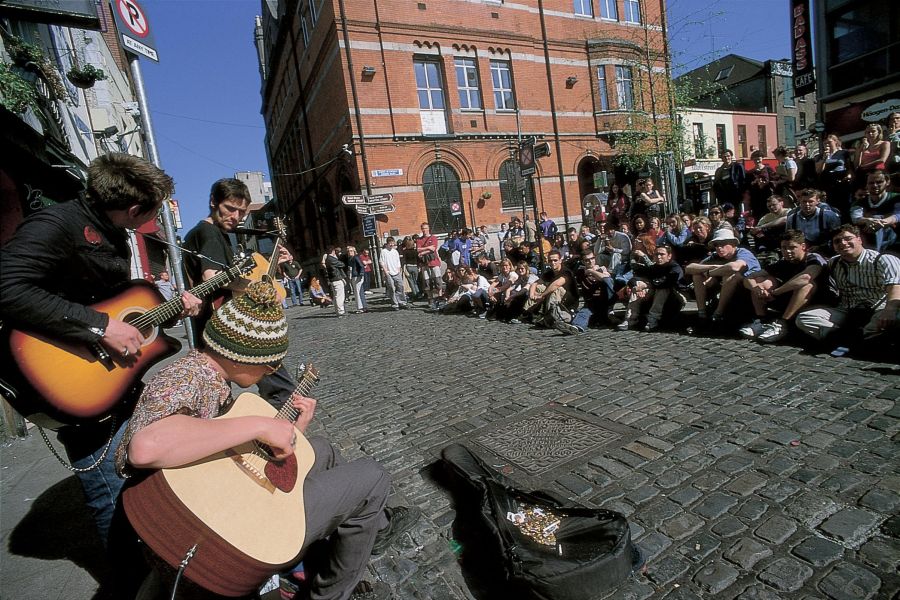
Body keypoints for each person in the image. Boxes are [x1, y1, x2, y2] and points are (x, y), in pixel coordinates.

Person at [114, 282, 418, 600]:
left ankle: (354, 538)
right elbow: (144, 446)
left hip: (221, 499)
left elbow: (208, 444)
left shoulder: (207, 374)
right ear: (239, 357)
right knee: (374, 477)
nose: (272, 370)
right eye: (269, 362)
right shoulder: (183, 381)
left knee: (322, 451)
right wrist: (258, 424)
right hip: (212, 534)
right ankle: (331, 593)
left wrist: (292, 430)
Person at [0, 153, 202, 545]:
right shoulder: (57, 224)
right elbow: (6, 287)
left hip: (111, 377)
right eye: (151, 212)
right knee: (112, 496)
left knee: (139, 480)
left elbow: (111, 305)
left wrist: (170, 309)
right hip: (70, 378)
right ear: (133, 208)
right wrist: (99, 326)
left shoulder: (108, 231)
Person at [183, 177, 298, 407]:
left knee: (218, 399)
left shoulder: (209, 232)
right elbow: (213, 278)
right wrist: (259, 289)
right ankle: (276, 438)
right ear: (213, 202)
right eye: (230, 209)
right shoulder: (208, 233)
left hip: (216, 331)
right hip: (230, 332)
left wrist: (271, 268)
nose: (235, 217)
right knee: (284, 392)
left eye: (241, 212)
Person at [795, 224, 900, 353]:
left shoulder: (883, 260)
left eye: (848, 238)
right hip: (847, 310)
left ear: (859, 239)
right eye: (837, 241)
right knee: (804, 318)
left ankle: (845, 339)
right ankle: (854, 339)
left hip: (877, 310)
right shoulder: (833, 263)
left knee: (886, 322)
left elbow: (895, 287)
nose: (843, 243)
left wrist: (889, 310)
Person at [739, 230, 828, 343]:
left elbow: (806, 277)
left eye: (792, 247)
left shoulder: (813, 258)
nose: (787, 251)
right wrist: (758, 289)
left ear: (803, 246)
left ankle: (782, 324)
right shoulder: (783, 262)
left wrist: (777, 292)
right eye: (784, 248)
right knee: (761, 282)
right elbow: (749, 277)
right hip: (790, 298)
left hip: (820, 300)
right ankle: (761, 321)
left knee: (807, 285)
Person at [685, 228, 761, 324]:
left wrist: (710, 273)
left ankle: (718, 313)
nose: (719, 248)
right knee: (697, 276)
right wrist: (713, 266)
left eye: (723, 244)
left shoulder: (743, 252)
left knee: (730, 276)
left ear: (733, 244)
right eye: (716, 245)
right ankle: (702, 313)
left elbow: (734, 267)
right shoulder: (716, 256)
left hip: (749, 289)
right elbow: (689, 268)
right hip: (724, 288)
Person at [617, 244, 686, 332]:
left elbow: (666, 282)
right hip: (655, 297)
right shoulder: (654, 268)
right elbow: (634, 279)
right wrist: (637, 286)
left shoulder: (675, 267)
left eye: (662, 254)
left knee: (662, 289)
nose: (659, 257)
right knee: (637, 285)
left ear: (669, 256)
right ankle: (631, 318)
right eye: (656, 254)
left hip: (675, 298)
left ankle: (653, 319)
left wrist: (646, 285)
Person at [555, 250, 616, 334]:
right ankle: (576, 328)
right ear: (583, 262)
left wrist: (591, 271)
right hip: (591, 303)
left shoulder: (602, 269)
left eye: (592, 258)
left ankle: (608, 313)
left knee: (608, 280)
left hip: (605, 302)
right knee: (584, 313)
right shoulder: (581, 272)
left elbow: (606, 279)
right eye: (587, 260)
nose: (591, 261)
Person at [523, 250, 578, 327]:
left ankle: (550, 317)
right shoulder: (550, 272)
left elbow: (556, 284)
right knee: (539, 287)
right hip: (554, 299)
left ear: (560, 260)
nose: (553, 263)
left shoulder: (566, 272)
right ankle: (528, 312)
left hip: (568, 302)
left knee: (556, 290)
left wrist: (542, 295)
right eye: (550, 260)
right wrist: (532, 294)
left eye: (555, 260)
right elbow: (535, 283)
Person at [850, 170, 899, 253]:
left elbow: (898, 215)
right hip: (869, 236)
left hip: (894, 236)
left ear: (887, 182)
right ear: (866, 184)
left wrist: (882, 222)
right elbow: (855, 218)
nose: (875, 185)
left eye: (879, 182)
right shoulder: (860, 202)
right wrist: (868, 220)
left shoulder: (896, 198)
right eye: (871, 183)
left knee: (877, 218)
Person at [785, 188, 842, 253]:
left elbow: (837, 237)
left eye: (810, 201)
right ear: (800, 201)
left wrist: (820, 247)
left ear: (817, 201)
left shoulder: (829, 216)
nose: (807, 204)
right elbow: (788, 238)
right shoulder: (791, 218)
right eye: (804, 201)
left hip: (825, 252)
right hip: (800, 252)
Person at [816, 134, 855, 218]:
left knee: (843, 205)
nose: (827, 145)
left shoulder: (843, 153)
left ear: (836, 142)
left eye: (829, 142)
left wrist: (849, 176)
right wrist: (824, 159)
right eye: (825, 143)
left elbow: (850, 166)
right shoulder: (821, 156)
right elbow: (818, 170)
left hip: (841, 181)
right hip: (827, 182)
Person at [416, 222, 444, 310]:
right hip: (424, 264)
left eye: (426, 228)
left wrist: (423, 251)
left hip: (434, 262)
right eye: (423, 228)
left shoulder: (433, 238)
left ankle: (439, 298)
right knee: (427, 282)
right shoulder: (419, 240)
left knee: (438, 281)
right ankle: (430, 299)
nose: (424, 230)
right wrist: (428, 248)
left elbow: (433, 248)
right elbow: (418, 249)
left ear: (428, 229)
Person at [855, 123, 891, 187]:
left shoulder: (885, 143)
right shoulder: (864, 146)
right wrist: (860, 150)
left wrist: (864, 166)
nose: (870, 134)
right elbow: (857, 165)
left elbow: (882, 160)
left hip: (877, 173)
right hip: (863, 174)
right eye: (868, 132)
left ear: (879, 132)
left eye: (873, 131)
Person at [745, 150, 776, 220]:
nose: (757, 161)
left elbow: (774, 180)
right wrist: (753, 182)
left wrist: (766, 183)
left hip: (767, 196)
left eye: (759, 159)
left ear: (762, 158)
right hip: (755, 198)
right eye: (755, 159)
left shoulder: (769, 169)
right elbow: (747, 186)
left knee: (770, 215)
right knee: (757, 217)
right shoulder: (750, 173)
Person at [380, 237, 408, 310]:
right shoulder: (384, 251)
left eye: (393, 243)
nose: (392, 245)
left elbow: (398, 261)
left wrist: (398, 269)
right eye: (390, 243)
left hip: (396, 272)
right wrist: (386, 271)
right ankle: (395, 304)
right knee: (391, 288)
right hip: (388, 272)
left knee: (400, 287)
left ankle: (402, 302)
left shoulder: (395, 251)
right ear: (387, 243)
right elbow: (381, 262)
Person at [323, 246, 348, 316]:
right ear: (333, 251)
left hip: (333, 279)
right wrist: (337, 259)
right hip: (336, 278)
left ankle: (338, 311)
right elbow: (342, 264)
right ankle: (341, 311)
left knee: (336, 296)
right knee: (340, 296)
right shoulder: (332, 259)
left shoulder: (327, 259)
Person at [347, 246, 368, 313]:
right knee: (359, 291)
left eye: (351, 251)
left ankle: (360, 307)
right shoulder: (351, 258)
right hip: (355, 276)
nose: (349, 252)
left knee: (357, 292)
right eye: (348, 251)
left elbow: (361, 265)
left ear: (354, 251)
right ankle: (363, 307)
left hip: (357, 276)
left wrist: (361, 274)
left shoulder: (355, 257)